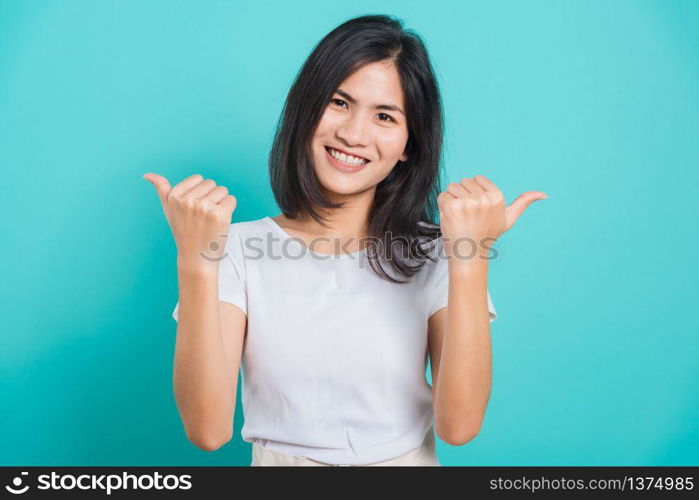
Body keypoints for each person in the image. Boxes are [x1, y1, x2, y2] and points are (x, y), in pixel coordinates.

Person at [143, 14, 547, 466]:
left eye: (384, 116)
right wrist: (196, 260)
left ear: (408, 144)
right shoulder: (237, 248)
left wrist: (469, 257)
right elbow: (207, 431)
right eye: (338, 102)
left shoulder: (436, 251)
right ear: (306, 107)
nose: (354, 134)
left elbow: (460, 426)